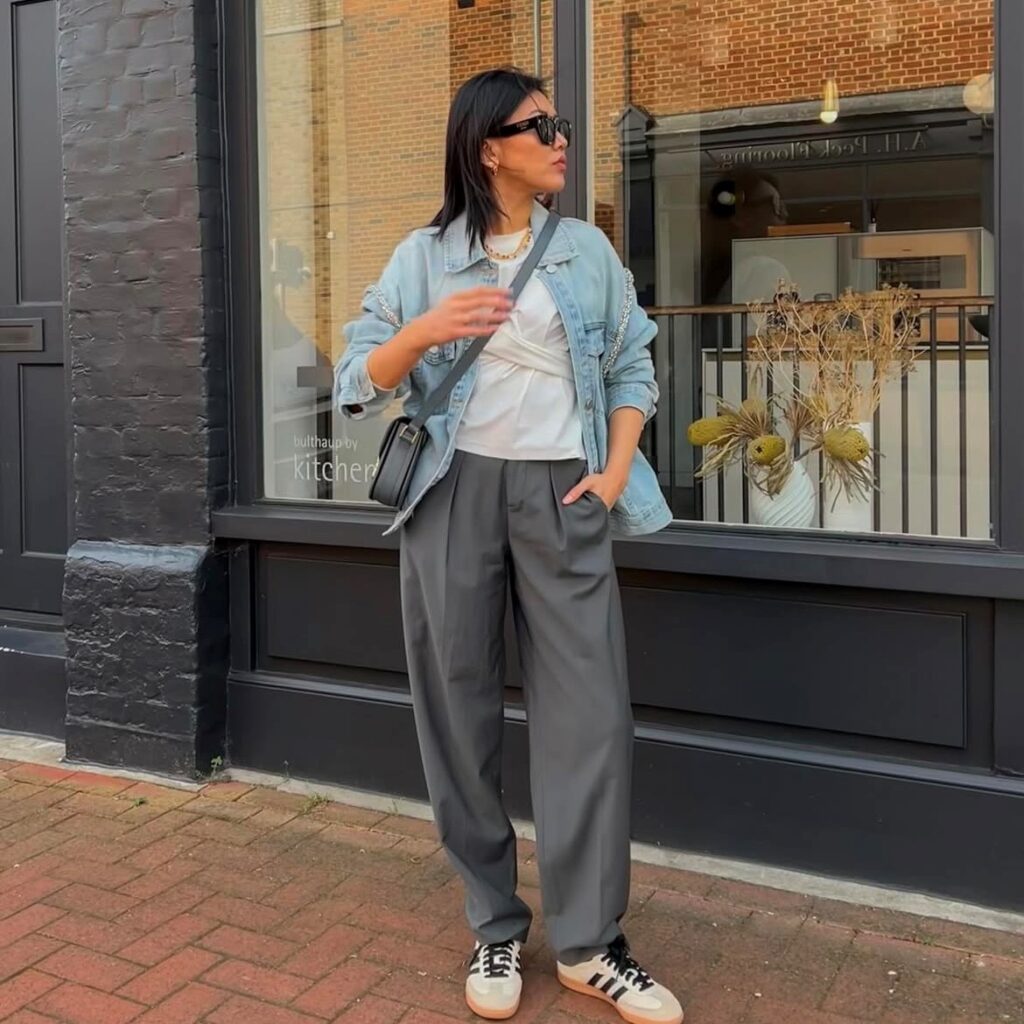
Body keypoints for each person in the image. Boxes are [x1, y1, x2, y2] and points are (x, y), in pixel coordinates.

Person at [334, 67, 679, 1024]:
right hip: (455, 492)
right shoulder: (423, 257)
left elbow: (633, 359)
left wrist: (611, 474)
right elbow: (354, 379)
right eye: (543, 126)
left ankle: (590, 943)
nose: (562, 139)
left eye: (560, 125)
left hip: (563, 490)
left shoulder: (586, 251)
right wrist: (426, 330)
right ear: (490, 147)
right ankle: (494, 924)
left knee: (590, 715)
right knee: (458, 712)